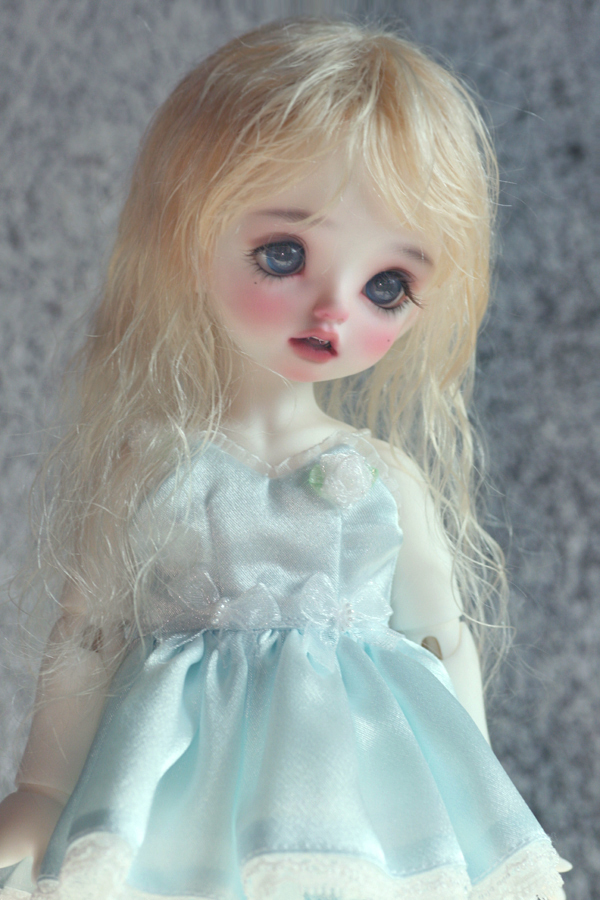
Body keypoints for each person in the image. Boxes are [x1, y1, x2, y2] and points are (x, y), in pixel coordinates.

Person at [0, 18, 569, 900]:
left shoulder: (383, 479)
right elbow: (88, 636)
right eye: (283, 255)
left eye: (387, 286)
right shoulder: (157, 467)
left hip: (358, 797)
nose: (334, 310)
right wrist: (40, 792)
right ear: (186, 236)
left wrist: (475, 804)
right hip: (178, 791)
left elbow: (439, 639)